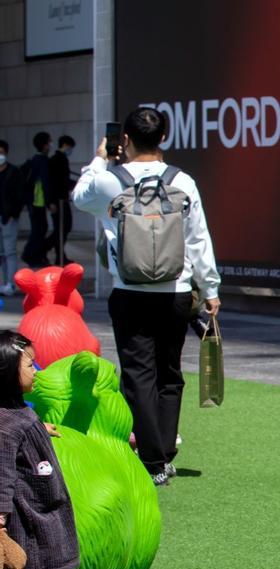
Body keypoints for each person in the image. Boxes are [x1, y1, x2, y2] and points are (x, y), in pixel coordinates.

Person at [71, 108, 221, 486]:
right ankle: (165, 453)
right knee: (169, 373)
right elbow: (198, 238)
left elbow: (78, 196)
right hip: (176, 291)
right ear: (164, 139)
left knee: (138, 375)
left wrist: (99, 157)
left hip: (130, 291)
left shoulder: (109, 181)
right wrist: (211, 289)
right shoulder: (182, 181)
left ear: (124, 139)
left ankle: (153, 461)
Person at [0, 331, 105, 569]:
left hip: (45, 513)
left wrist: (38, 427)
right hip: (24, 516)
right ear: (6, 373)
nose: (38, 370)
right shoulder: (6, 425)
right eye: (30, 365)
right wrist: (1, 515)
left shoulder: (19, 414)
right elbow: (2, 472)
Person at [19, 132, 52, 269]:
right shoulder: (43, 160)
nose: (50, 145)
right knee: (39, 229)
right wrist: (50, 202)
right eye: (49, 142)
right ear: (44, 145)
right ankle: (31, 254)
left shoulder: (34, 160)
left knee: (38, 229)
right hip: (38, 201)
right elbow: (45, 182)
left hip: (33, 201)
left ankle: (34, 254)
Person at [47, 135, 75, 266]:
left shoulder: (59, 159)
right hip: (59, 200)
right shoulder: (58, 159)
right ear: (64, 145)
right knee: (62, 228)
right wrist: (51, 201)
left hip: (61, 199)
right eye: (69, 147)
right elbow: (55, 182)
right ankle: (45, 249)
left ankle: (60, 255)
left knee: (63, 228)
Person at [0, 140, 21, 295]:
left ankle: (11, 284)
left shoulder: (13, 172)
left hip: (9, 217)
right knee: (1, 253)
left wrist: (14, 213)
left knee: (10, 251)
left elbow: (19, 195)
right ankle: (4, 282)